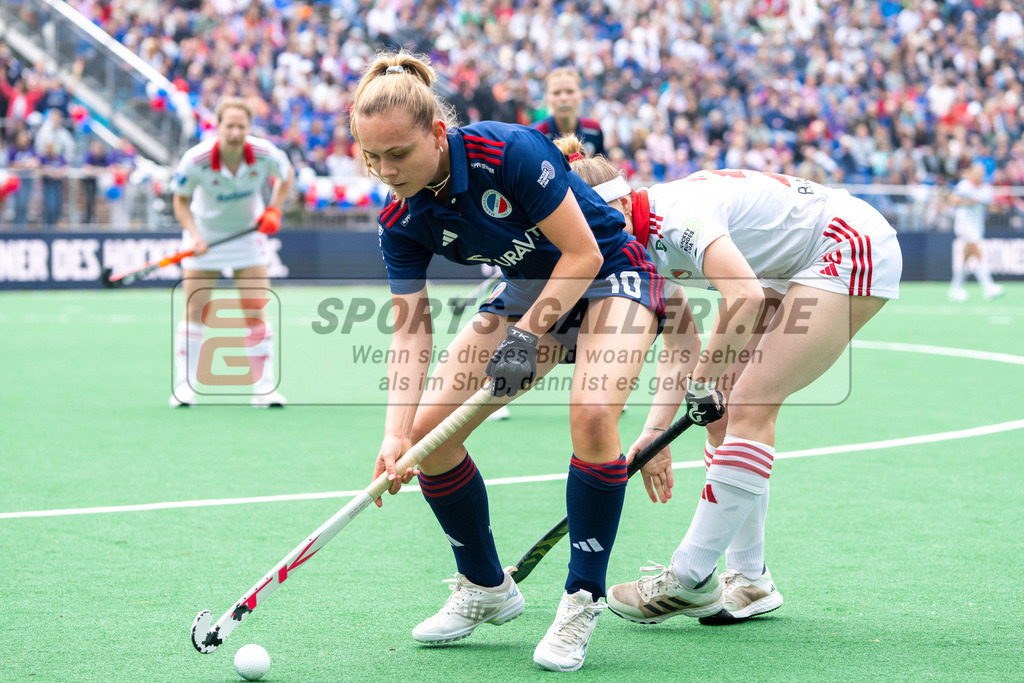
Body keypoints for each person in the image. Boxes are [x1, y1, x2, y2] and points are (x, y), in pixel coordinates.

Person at [350, 52, 665, 672]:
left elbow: (582, 255)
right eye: (371, 157)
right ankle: (486, 586)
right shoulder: (400, 216)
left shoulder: (509, 152)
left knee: (593, 414)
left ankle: (582, 599)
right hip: (528, 288)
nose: (386, 171)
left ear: (436, 133)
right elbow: (410, 329)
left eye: (398, 154)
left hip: (610, 274)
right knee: (428, 437)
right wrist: (393, 434)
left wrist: (525, 336)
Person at [553, 137, 903, 626]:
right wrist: (655, 433)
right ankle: (751, 577)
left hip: (847, 243)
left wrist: (704, 382)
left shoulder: (677, 217)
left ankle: (689, 575)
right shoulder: (632, 242)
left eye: (596, 227)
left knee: (749, 404)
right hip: (784, 264)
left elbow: (744, 296)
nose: (595, 245)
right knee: (724, 415)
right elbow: (681, 345)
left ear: (621, 204)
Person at [169, 96, 295, 408]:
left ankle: (264, 388)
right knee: (195, 310)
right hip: (205, 237)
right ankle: (185, 388)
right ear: (218, 126)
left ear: (249, 127)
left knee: (255, 310)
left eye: (241, 126)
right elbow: (180, 201)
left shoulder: (264, 153)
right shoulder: (196, 159)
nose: (236, 132)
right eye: (229, 126)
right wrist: (194, 236)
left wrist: (274, 209)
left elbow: (286, 174)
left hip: (246, 237)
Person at [948, 163, 1004, 302]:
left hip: (977, 226)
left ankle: (955, 288)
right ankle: (988, 287)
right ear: (972, 172)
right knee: (978, 252)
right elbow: (953, 200)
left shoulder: (986, 189)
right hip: (964, 224)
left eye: (982, 173)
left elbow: (990, 206)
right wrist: (968, 201)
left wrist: (998, 208)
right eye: (978, 172)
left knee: (966, 257)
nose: (980, 175)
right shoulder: (964, 186)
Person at [532, 68, 605, 157]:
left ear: (581, 96)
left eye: (570, 91)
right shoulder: (536, 135)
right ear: (547, 98)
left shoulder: (594, 131)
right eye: (556, 93)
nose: (563, 98)